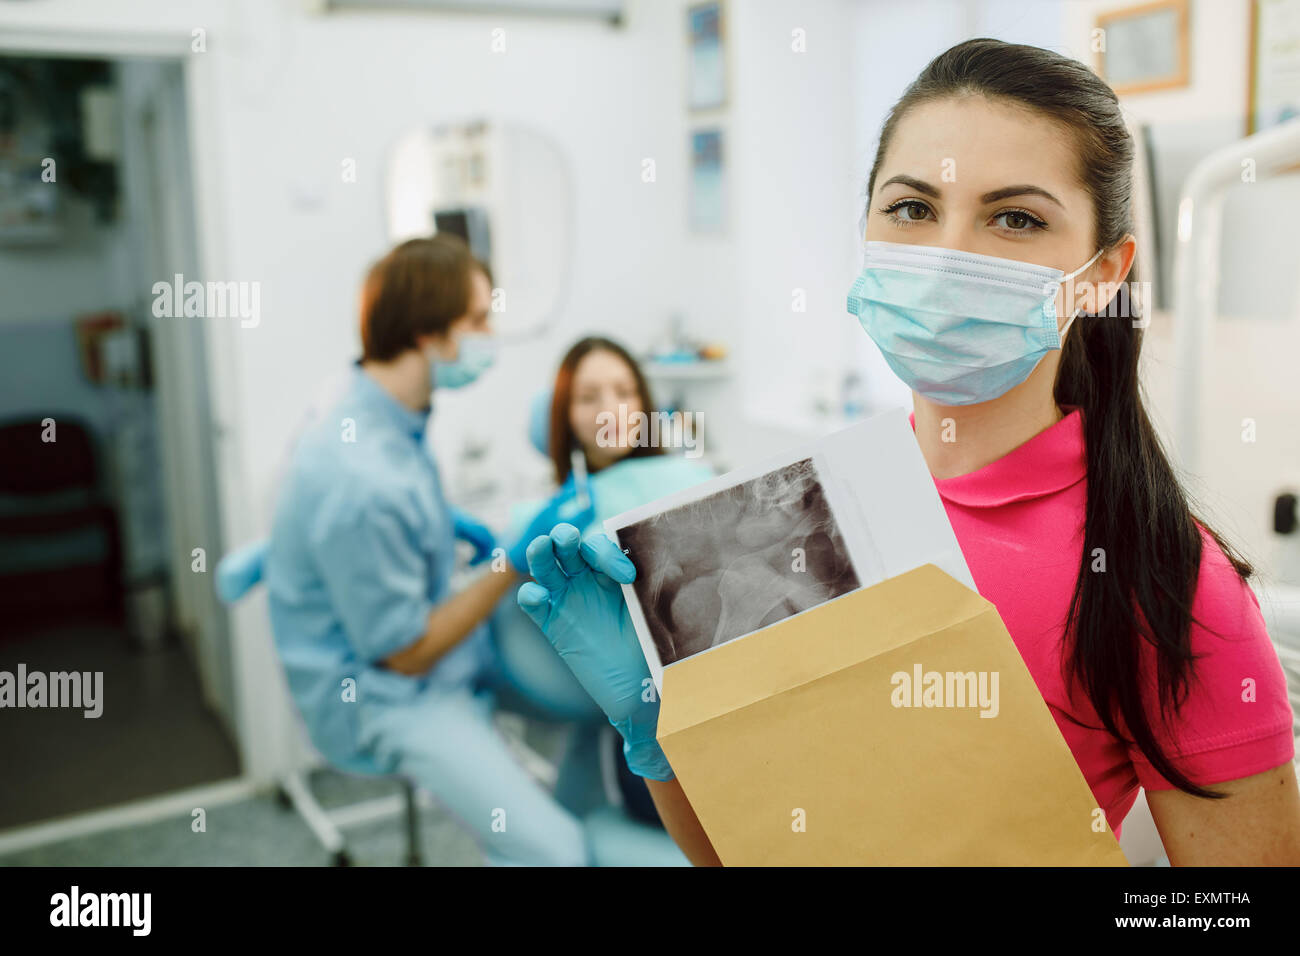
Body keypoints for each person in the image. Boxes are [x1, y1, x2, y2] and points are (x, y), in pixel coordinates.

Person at [515, 38, 1300, 866]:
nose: (945, 256)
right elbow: (753, 853)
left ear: (1103, 273)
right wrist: (657, 731)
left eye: (1016, 218)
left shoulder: (1164, 579)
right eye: (913, 208)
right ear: (867, 227)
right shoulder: (799, 513)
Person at [266, 234, 596, 867]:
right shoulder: (360, 476)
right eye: (477, 320)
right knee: (560, 855)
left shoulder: (378, 408)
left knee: (599, 697)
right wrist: (509, 560)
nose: (489, 334)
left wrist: (443, 523)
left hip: (423, 644)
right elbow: (406, 653)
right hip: (384, 693)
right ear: (424, 333)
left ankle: (572, 810)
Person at [492, 337, 713, 826]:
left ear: (645, 405)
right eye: (589, 397)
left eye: (624, 391)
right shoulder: (548, 523)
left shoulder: (692, 477)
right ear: (563, 417)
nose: (610, 408)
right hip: (654, 728)